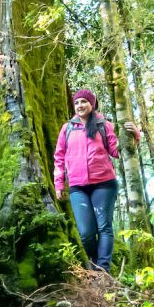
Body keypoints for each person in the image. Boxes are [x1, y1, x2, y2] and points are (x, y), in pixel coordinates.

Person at [53, 89, 137, 273]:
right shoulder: (67, 128)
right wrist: (59, 183)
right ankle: (93, 263)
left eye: (84, 102)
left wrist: (134, 136)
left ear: (92, 104)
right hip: (78, 187)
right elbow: (59, 157)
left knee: (104, 227)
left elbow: (116, 151)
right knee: (86, 233)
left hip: (104, 184)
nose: (80, 105)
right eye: (77, 102)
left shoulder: (103, 125)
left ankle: (102, 272)